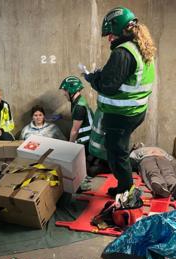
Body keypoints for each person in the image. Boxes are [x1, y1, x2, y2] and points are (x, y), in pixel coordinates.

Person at [83, 6, 156, 196]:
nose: (109, 38)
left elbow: (108, 85)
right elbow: (121, 78)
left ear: (119, 29)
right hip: (136, 111)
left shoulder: (122, 53)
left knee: (117, 153)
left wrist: (92, 78)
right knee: (119, 149)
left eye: (110, 34)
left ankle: (126, 189)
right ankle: (126, 183)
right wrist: (103, 75)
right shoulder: (140, 47)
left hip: (121, 116)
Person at [59, 76, 93, 149]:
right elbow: (77, 118)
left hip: (86, 139)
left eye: (65, 90)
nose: (64, 93)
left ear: (71, 90)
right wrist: (61, 117)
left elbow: (75, 131)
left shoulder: (79, 107)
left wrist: (70, 147)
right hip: (87, 137)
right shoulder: (78, 100)